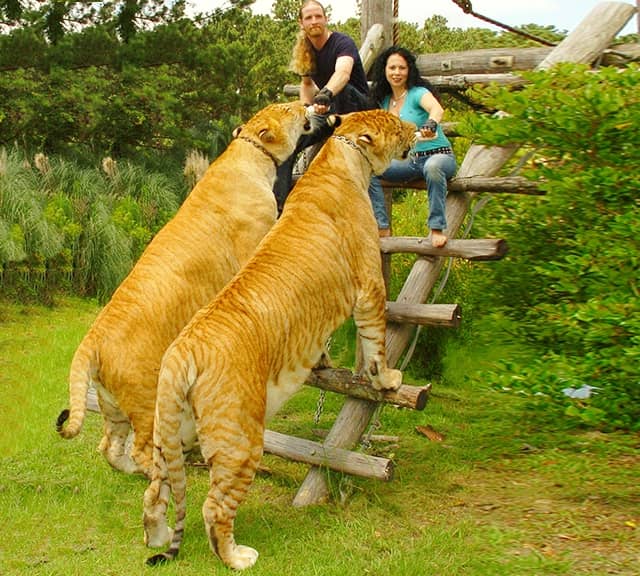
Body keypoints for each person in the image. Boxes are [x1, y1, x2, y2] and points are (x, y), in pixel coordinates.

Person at [273, 0, 371, 211]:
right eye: (309, 17)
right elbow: (307, 84)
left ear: (326, 19)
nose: (314, 21)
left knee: (342, 89)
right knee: (288, 143)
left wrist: (325, 93)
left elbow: (343, 74)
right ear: (301, 23)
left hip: (356, 109)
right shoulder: (305, 49)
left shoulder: (342, 42)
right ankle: (278, 206)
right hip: (328, 111)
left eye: (318, 16)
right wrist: (304, 113)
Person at [367, 46, 457, 247]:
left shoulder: (418, 93)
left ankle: (436, 228)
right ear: (384, 70)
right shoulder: (383, 101)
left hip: (438, 156)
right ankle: (381, 225)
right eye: (392, 68)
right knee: (369, 169)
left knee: (432, 168)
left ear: (409, 70)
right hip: (409, 162)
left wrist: (431, 123)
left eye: (402, 68)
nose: (397, 73)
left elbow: (436, 109)